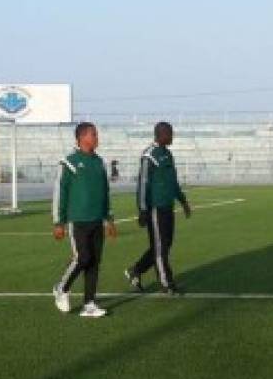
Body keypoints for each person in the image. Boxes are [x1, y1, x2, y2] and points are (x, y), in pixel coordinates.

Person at [52, 122, 117, 318]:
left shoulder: (99, 162)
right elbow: (60, 192)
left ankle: (89, 303)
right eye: (94, 135)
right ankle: (61, 287)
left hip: (97, 220)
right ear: (82, 138)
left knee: (94, 262)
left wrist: (109, 218)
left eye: (97, 134)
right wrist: (58, 222)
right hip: (77, 220)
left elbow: (105, 192)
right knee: (83, 258)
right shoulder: (69, 162)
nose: (97, 138)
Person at [126, 121, 191, 295]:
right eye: (170, 133)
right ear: (161, 134)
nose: (172, 136)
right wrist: (142, 210)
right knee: (161, 247)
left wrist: (183, 201)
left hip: (167, 207)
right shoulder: (149, 155)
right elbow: (143, 184)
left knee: (163, 245)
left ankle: (136, 270)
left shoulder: (168, 155)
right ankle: (166, 284)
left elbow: (173, 182)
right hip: (155, 209)